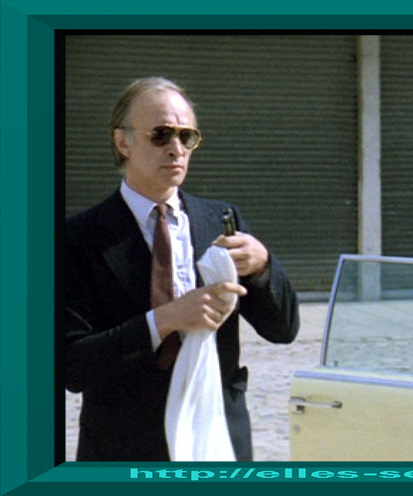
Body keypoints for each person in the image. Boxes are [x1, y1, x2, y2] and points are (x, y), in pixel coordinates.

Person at [64, 77, 300, 461]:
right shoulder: (78, 237)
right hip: (128, 445)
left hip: (216, 436)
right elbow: (73, 366)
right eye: (161, 135)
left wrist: (263, 267)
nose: (176, 148)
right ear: (123, 143)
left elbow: (283, 330)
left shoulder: (221, 220)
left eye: (187, 136)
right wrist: (165, 320)